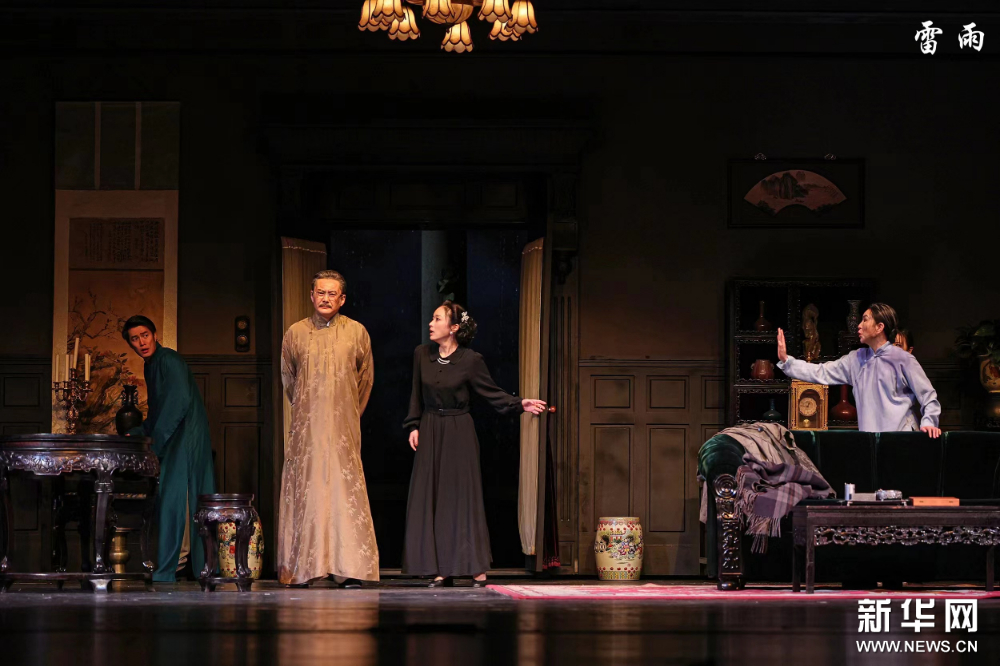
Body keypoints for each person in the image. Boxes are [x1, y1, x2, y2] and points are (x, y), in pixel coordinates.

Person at [402, 301, 547, 588]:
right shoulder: (422, 354)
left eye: (437, 319)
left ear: (454, 327)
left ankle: (475, 568)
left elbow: (491, 392)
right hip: (430, 428)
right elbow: (415, 394)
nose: (431, 323)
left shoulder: (470, 360)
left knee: (460, 498)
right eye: (432, 318)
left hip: (459, 431)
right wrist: (413, 425)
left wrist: (520, 403)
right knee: (432, 498)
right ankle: (441, 569)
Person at [278, 270, 376, 588]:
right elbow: (289, 379)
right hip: (307, 429)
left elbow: (365, 379)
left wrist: (348, 413)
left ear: (342, 299)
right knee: (309, 491)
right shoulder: (295, 333)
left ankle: (348, 569)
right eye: (320, 292)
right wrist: (308, 409)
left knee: (343, 492)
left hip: (344, 427)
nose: (325, 298)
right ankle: (305, 568)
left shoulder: (357, 332)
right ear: (311, 295)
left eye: (332, 294)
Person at [122, 315, 216, 583]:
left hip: (185, 436)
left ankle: (178, 565)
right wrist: (138, 434)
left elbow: (178, 403)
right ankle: (178, 564)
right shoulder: (151, 366)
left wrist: (156, 443)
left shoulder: (169, 359)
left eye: (145, 335)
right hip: (174, 435)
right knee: (174, 499)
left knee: (178, 498)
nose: (141, 342)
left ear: (154, 335)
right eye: (135, 339)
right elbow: (157, 412)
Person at [777, 303, 941, 437]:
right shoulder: (856, 359)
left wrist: (929, 422)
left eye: (865, 320)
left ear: (879, 327)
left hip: (901, 438)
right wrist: (787, 361)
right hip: (871, 441)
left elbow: (928, 396)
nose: (859, 325)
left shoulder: (902, 359)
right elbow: (821, 372)